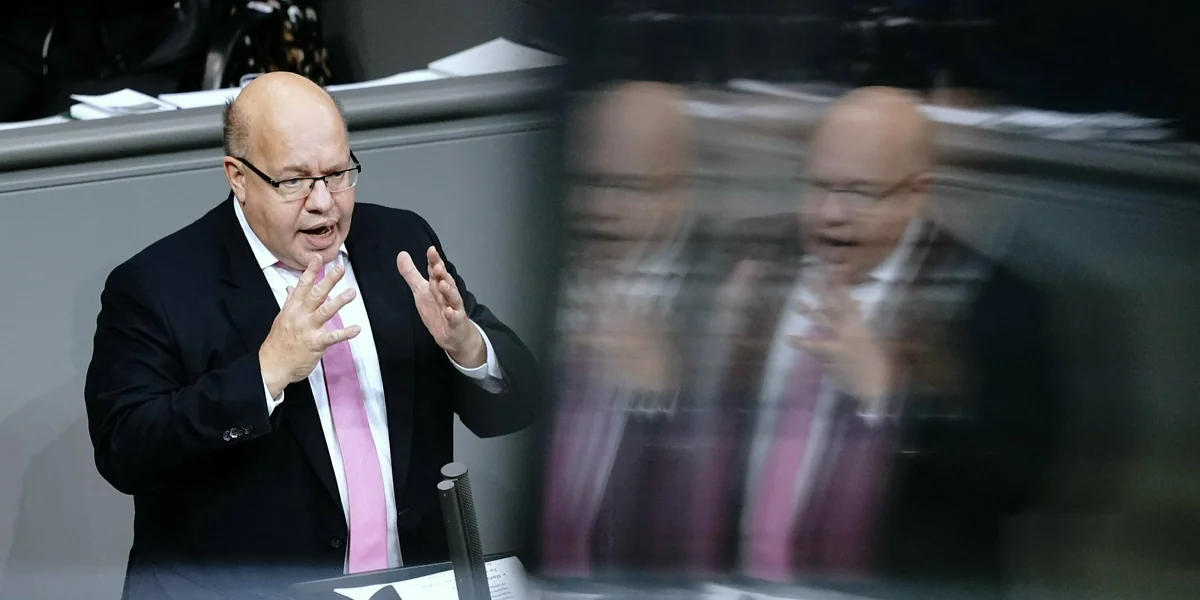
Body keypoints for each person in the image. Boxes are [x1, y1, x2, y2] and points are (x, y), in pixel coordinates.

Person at [84, 72, 541, 599]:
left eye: (338, 173)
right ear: (238, 177)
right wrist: (265, 374)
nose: (324, 202)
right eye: (295, 181)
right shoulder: (158, 285)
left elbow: (518, 405)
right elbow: (125, 451)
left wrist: (467, 347)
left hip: (407, 586)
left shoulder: (399, 242)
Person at [683, 87, 1060, 594]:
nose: (830, 213)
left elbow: (1018, 483)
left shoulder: (994, 301)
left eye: (859, 193)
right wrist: (709, 355)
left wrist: (889, 398)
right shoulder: (750, 263)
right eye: (818, 186)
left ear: (916, 193)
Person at [539, 81, 714, 577]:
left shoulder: (723, 299)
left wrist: (663, 390)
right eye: (590, 183)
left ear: (682, 190)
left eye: (629, 187)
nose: (602, 207)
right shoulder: (538, 268)